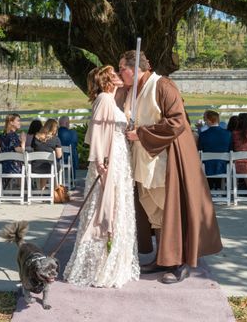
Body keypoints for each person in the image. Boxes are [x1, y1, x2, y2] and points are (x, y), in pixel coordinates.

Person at [119, 50, 222, 284]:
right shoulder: (132, 91)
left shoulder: (163, 86)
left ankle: (180, 263)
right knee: (154, 211)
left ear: (134, 69)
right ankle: (163, 258)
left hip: (163, 160)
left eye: (121, 69)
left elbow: (177, 122)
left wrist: (142, 133)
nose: (119, 73)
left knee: (171, 211)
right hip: (143, 160)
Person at [64, 65, 139, 288]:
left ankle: (114, 262)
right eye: (114, 74)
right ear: (107, 80)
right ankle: (97, 265)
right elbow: (96, 131)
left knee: (118, 205)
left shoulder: (111, 101)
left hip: (119, 155)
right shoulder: (105, 99)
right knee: (105, 207)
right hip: (111, 157)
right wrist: (99, 160)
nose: (118, 76)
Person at [197, 110, 232, 189]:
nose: (205, 121)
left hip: (207, 167)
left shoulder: (203, 135)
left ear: (209, 120)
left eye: (205, 119)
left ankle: (209, 190)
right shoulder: (228, 134)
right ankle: (219, 189)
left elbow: (200, 150)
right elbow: (231, 149)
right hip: (223, 166)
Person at [30, 118, 62, 189]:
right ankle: (55, 190)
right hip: (50, 167)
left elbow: (32, 149)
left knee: (43, 163)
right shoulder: (56, 139)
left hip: (35, 167)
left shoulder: (35, 137)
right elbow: (59, 155)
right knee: (54, 166)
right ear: (54, 128)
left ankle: (42, 191)